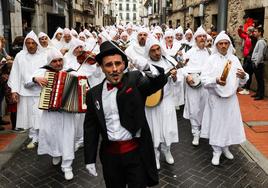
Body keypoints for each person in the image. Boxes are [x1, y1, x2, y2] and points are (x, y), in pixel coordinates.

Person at [83, 40, 167, 188]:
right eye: (109, 65)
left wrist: (148, 68)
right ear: (101, 67)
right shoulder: (93, 94)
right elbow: (91, 128)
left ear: (124, 64)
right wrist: (89, 159)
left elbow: (158, 82)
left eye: (118, 63)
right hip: (110, 157)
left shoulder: (135, 80)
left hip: (136, 154)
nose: (115, 69)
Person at [200, 31, 248, 166]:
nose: (223, 46)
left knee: (228, 123)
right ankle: (216, 151)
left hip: (231, 100)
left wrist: (244, 76)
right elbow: (203, 79)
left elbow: (242, 81)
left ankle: (226, 147)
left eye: (226, 43)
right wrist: (215, 80)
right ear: (216, 45)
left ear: (229, 44)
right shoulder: (211, 60)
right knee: (217, 124)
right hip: (216, 99)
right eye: (220, 43)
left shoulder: (234, 59)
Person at [34, 50, 77, 180]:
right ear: (49, 62)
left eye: (60, 60)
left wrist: (84, 88)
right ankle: (55, 153)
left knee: (68, 138)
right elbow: (27, 83)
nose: (58, 63)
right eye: (54, 61)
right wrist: (35, 79)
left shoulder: (72, 72)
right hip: (50, 112)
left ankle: (67, 166)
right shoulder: (42, 72)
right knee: (51, 135)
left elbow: (83, 87)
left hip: (67, 113)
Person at [142, 36, 181, 170]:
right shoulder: (144, 65)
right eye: (153, 50)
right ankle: (155, 155)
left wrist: (175, 77)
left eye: (158, 49)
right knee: (153, 130)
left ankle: (167, 150)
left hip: (167, 100)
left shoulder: (169, 62)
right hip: (151, 103)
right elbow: (140, 85)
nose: (157, 53)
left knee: (168, 129)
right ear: (148, 52)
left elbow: (177, 81)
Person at [8, 31, 47, 147]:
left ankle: (42, 137)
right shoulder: (20, 56)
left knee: (41, 115)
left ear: (36, 44)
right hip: (26, 91)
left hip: (41, 90)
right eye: (28, 43)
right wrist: (14, 91)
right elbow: (15, 73)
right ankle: (33, 138)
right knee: (30, 115)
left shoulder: (44, 55)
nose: (30, 45)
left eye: (33, 43)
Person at [182, 26, 211, 146]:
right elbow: (182, 67)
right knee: (194, 109)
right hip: (193, 84)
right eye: (200, 36)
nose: (202, 38)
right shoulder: (190, 52)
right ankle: (195, 133)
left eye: (204, 36)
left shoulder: (210, 52)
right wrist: (187, 76)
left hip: (205, 85)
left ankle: (204, 130)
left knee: (205, 108)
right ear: (195, 38)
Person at [251, 27, 266, 100]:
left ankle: (261, 95)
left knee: (260, 80)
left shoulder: (261, 42)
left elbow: (260, 54)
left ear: (260, 33)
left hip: (259, 64)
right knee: (258, 79)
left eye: (256, 31)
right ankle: (258, 93)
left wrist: (256, 63)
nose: (254, 33)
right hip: (257, 63)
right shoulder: (259, 41)